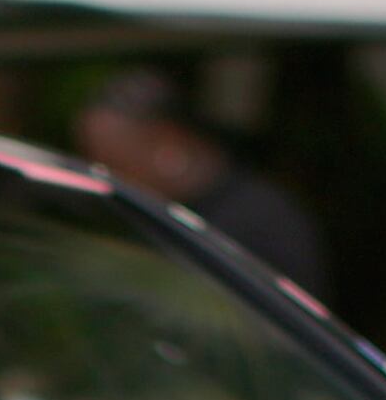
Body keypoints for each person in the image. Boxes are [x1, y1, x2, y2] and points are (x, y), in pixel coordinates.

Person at [73, 67, 329, 298]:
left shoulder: (258, 223)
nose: (105, 178)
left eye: (115, 163)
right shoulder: (153, 214)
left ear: (168, 143)